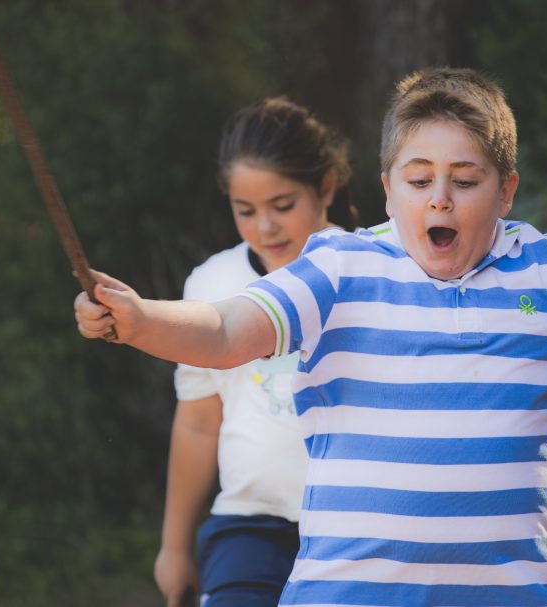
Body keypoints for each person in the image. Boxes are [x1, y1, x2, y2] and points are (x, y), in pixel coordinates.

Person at [75, 68, 547, 607]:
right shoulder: (337, 267)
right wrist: (140, 319)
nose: (439, 200)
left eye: (465, 181)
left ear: (506, 190)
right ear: (386, 190)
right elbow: (224, 333)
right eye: (418, 180)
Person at [149, 97, 356, 607]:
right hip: (249, 523)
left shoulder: (374, 271)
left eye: (282, 205)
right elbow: (198, 423)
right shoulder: (211, 284)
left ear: (325, 185)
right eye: (246, 210)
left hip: (358, 526)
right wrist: (173, 548)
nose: (265, 227)